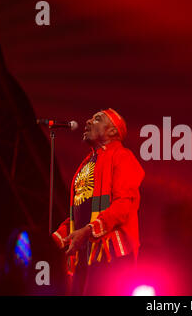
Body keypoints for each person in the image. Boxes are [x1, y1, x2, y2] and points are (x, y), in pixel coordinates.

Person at [51, 108, 145, 295]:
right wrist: (55, 240)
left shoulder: (122, 156)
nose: (87, 121)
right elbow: (79, 216)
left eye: (97, 119)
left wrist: (87, 231)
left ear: (112, 131)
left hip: (110, 255)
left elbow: (123, 205)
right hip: (84, 256)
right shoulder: (86, 164)